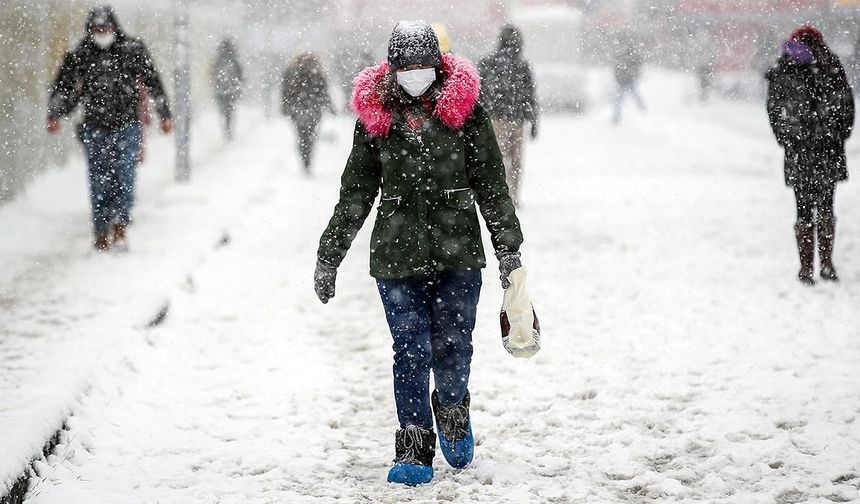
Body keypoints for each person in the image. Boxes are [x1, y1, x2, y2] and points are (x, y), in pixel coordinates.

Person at [313, 21, 525, 486]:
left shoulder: (467, 114)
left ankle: (452, 408)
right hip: (395, 256)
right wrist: (330, 254)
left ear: (438, 64)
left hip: (459, 254)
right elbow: (355, 193)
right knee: (410, 349)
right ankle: (412, 445)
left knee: (454, 345)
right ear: (393, 68)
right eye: (405, 66)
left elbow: (492, 188)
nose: (414, 73)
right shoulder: (376, 119)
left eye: (422, 65)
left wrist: (509, 250)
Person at [47, 6, 173, 252]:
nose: (102, 33)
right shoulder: (80, 53)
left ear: (115, 28)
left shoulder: (132, 50)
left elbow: (153, 81)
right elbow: (63, 86)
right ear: (90, 31)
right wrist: (55, 113)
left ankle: (121, 224)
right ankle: (101, 228)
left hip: (127, 125)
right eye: (97, 30)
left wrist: (164, 114)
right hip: (95, 127)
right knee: (99, 180)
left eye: (106, 29)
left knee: (125, 176)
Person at [765, 26, 854, 285]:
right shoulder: (831, 64)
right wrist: (838, 134)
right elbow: (846, 104)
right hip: (828, 149)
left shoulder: (785, 68)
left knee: (803, 210)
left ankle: (806, 269)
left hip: (799, 150)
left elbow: (774, 107)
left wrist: (786, 137)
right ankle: (826, 263)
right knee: (826, 206)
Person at [478, 24, 538, 208]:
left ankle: (499, 196)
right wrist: (534, 121)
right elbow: (530, 95)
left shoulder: (488, 62)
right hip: (517, 120)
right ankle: (513, 196)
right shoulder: (522, 65)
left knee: (498, 160)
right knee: (516, 161)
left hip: (495, 119)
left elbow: (480, 93)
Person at [281, 52, 332, 174]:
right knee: (308, 136)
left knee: (303, 135)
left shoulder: (292, 72)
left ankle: (305, 156)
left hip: (300, 109)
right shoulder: (317, 72)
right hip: (311, 110)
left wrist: (285, 106)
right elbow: (324, 91)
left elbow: (286, 91)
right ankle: (306, 157)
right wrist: (328, 105)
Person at [211, 38, 244, 140]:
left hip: (220, 89)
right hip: (232, 89)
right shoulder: (233, 58)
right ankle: (229, 127)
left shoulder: (219, 58)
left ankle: (226, 126)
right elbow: (240, 73)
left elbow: (214, 72)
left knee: (224, 109)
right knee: (230, 110)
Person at [612, 33, 646, 124]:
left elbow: (637, 62)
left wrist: (631, 72)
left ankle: (643, 110)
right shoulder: (624, 54)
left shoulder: (625, 54)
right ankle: (642, 109)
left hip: (626, 79)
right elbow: (617, 68)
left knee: (620, 99)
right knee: (623, 98)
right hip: (625, 80)